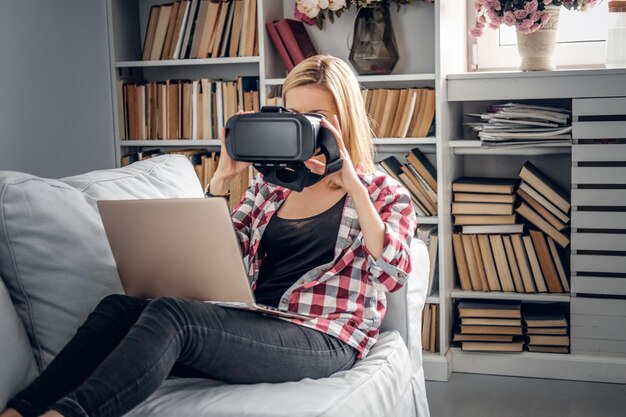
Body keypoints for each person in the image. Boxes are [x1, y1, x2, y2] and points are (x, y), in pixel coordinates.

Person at [1, 54, 417, 417]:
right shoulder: (270, 189)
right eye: (296, 116)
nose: (307, 128)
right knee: (119, 308)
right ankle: (21, 409)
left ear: (344, 120)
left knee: (172, 316)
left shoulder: (382, 193)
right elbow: (218, 252)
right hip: (259, 322)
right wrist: (221, 179)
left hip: (326, 334)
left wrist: (354, 186)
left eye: (319, 118)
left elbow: (393, 272)